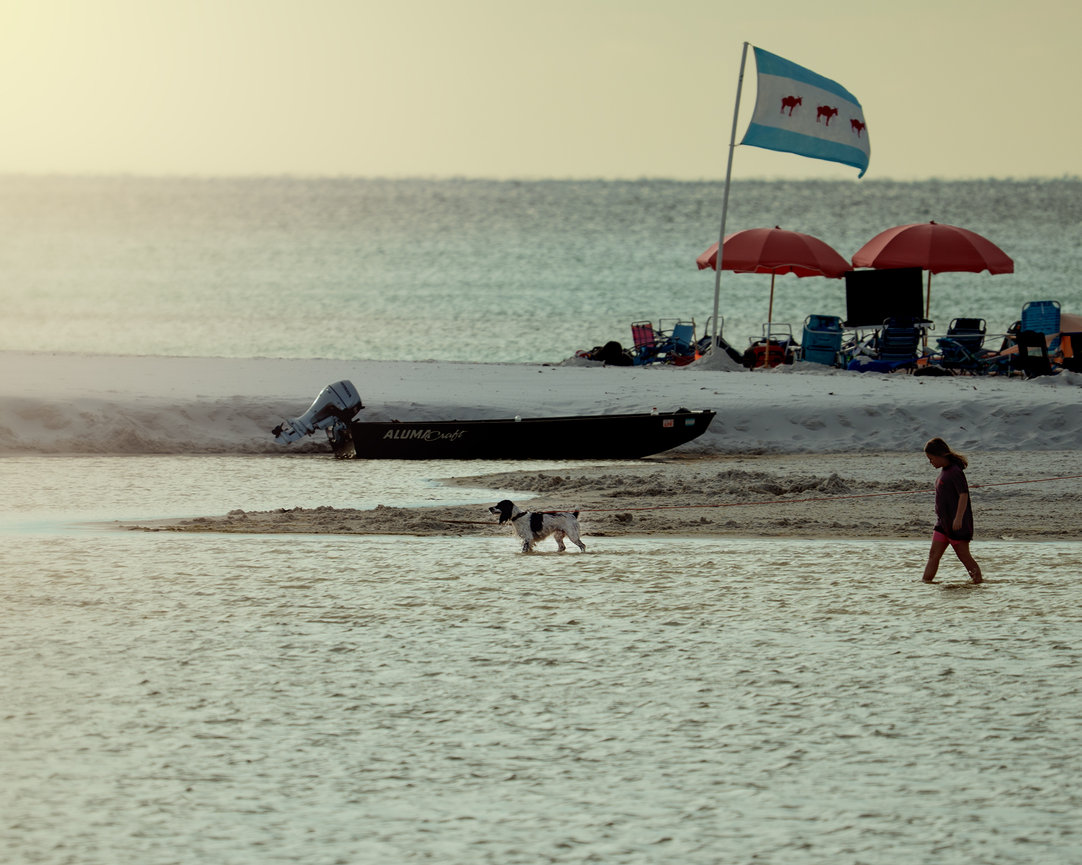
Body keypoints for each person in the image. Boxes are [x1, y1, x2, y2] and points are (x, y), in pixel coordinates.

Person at [922, 437, 983, 584]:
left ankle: (978, 582)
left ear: (940, 455)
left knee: (964, 556)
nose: (930, 462)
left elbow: (963, 494)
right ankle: (925, 583)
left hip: (957, 524)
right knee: (933, 555)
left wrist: (958, 518)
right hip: (943, 523)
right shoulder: (944, 471)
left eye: (931, 459)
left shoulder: (955, 471)